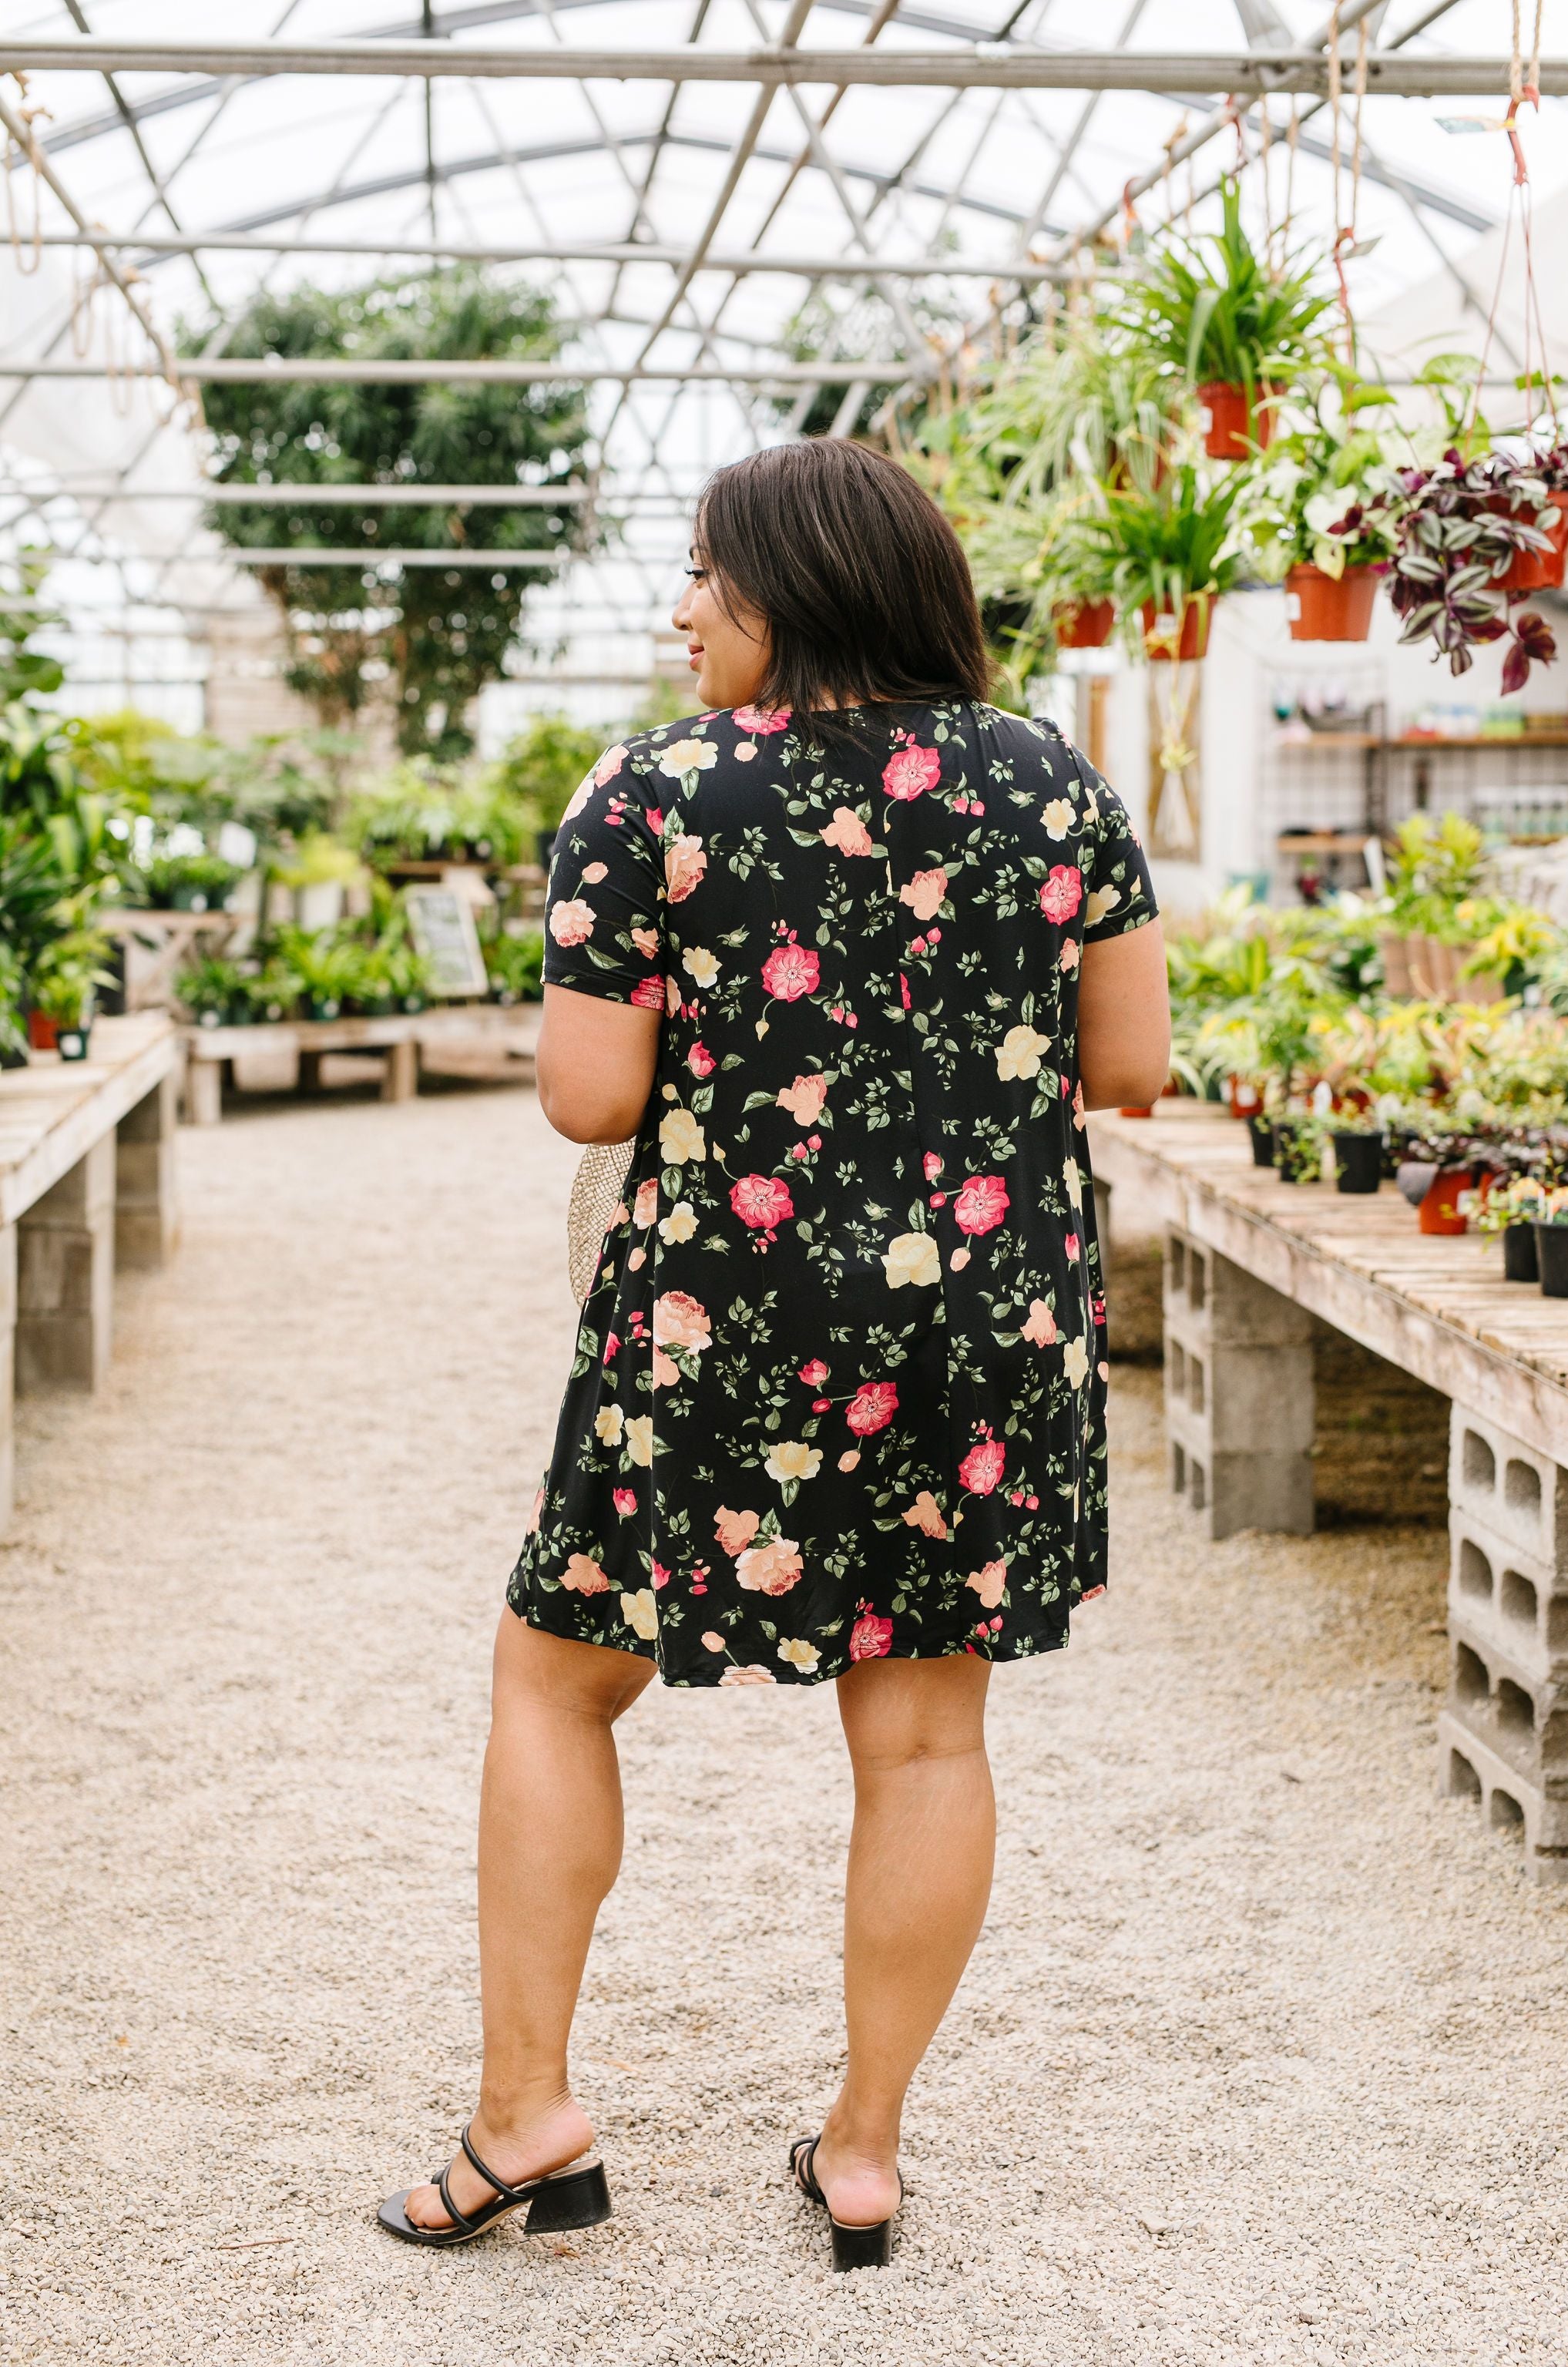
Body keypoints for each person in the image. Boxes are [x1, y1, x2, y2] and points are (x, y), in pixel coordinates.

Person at [379, 438, 1170, 2271]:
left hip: (720, 1321)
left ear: (791, 590)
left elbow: (591, 1101)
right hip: (982, 1329)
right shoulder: (1057, 786)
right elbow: (1125, 1071)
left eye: (702, 579)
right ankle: (868, 2149)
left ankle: (528, 2116)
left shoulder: (651, 797)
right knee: (920, 1737)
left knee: (556, 1681)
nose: (678, 611)